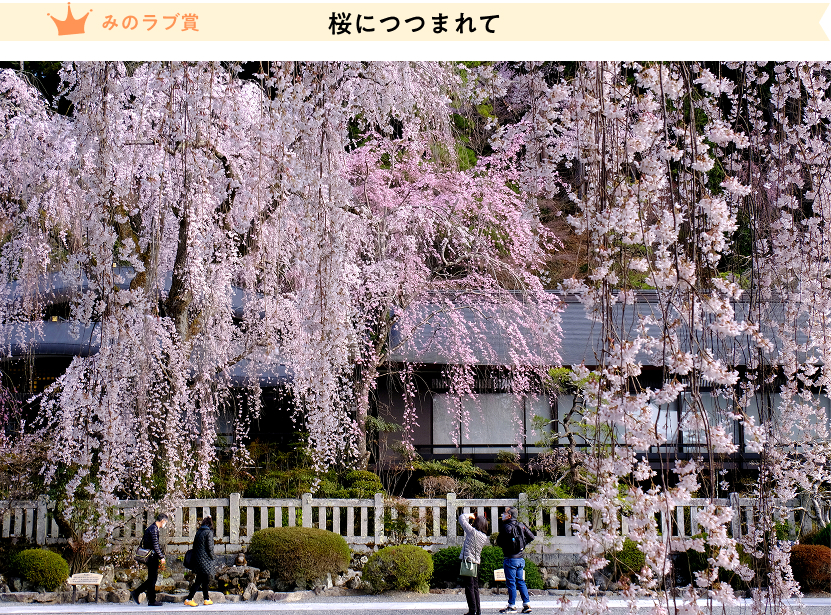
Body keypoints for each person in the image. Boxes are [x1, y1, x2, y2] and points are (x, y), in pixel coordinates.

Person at [497, 506, 535, 614]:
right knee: (521, 581)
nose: (502, 515)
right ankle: (526, 604)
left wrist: (509, 546)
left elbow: (499, 542)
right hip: (520, 558)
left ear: (509, 515)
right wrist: (521, 545)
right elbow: (531, 536)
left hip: (510, 558)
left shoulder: (505, 527)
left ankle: (512, 605)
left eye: (504, 513)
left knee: (511, 583)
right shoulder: (521, 525)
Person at [132, 512, 169, 607]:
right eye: (165, 522)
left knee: (152, 578)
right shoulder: (154, 529)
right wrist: (161, 557)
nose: (165, 524)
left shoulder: (152, 528)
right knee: (152, 579)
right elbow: (155, 545)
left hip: (151, 556)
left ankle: (139, 593)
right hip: (152, 556)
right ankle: (150, 599)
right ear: (162, 521)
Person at [459, 511, 489, 615]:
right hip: (476, 562)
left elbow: (461, 518)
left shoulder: (472, 532)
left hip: (468, 562)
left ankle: (472, 610)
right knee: (475, 587)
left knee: (469, 587)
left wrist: (469, 515)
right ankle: (478, 610)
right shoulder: (484, 536)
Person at [184, 516, 216, 607]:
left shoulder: (199, 532)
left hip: (197, 560)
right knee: (199, 581)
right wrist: (213, 557)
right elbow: (210, 548)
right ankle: (189, 599)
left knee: (204, 579)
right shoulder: (208, 533)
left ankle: (206, 598)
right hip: (205, 560)